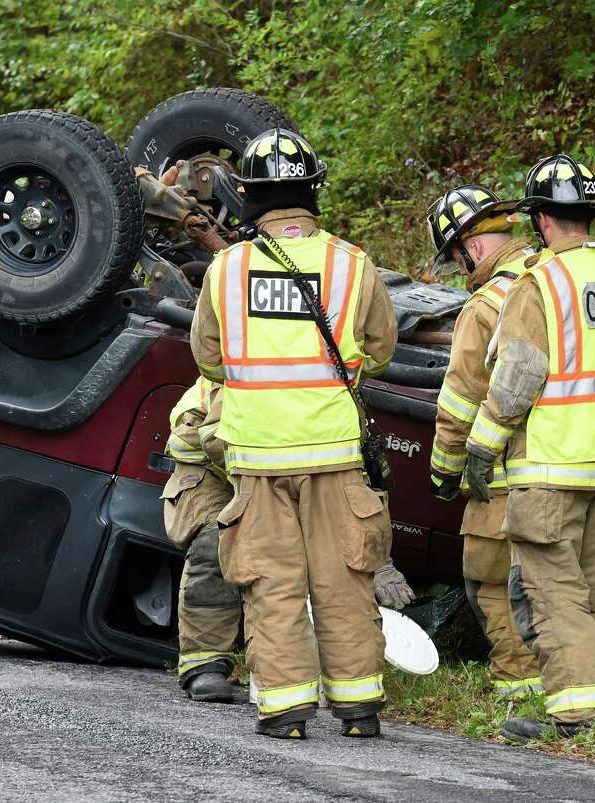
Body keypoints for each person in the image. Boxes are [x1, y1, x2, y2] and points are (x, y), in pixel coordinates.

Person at [190, 128, 402, 740]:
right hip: (336, 455)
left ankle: (285, 710)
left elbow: (207, 360)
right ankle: (359, 709)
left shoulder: (226, 270)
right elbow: (382, 350)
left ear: (249, 196)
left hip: (257, 457)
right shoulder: (353, 266)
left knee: (271, 583)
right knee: (343, 579)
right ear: (313, 192)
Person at [465, 153, 595, 742]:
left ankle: (580, 711)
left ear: (542, 221)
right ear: (592, 213)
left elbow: (517, 377)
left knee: (551, 590)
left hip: (552, 467)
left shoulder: (541, 284)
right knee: (594, 584)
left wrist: (482, 445)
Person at [425, 184, 542, 699]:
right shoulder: (560, 279)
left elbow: (461, 402)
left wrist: (444, 472)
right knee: (574, 581)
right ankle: (589, 679)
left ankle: (522, 683)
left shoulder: (485, 305)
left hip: (508, 469)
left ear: (469, 247)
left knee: (491, 578)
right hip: (582, 461)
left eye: (455, 257)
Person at [162, 376, 241, 702]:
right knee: (215, 542)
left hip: (291, 466)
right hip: (211, 467)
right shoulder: (239, 359)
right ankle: (204, 662)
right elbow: (193, 440)